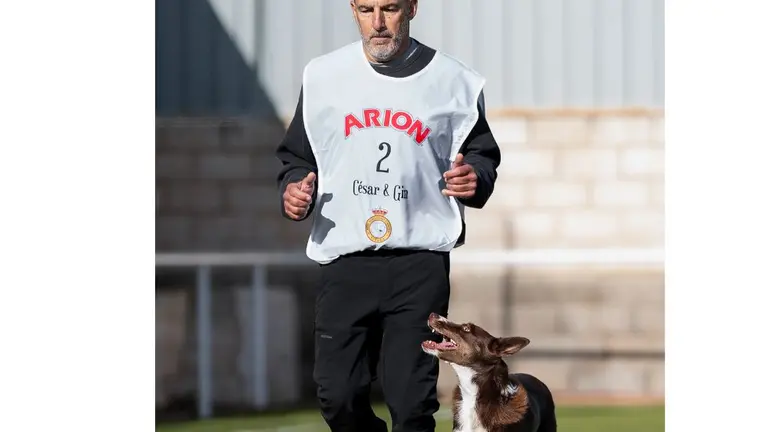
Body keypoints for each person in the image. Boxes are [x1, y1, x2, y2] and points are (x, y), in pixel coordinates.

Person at [275, 1, 501, 430]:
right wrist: (292, 190)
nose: (378, 23)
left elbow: (481, 155)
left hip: (418, 263)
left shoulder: (455, 81)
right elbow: (296, 159)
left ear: (412, 8)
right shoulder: (322, 76)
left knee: (411, 404)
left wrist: (477, 177)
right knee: (337, 397)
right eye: (366, 9)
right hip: (345, 260)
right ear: (353, 9)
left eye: (390, 8)